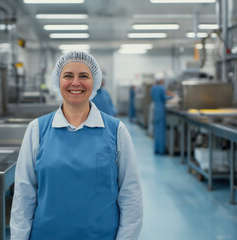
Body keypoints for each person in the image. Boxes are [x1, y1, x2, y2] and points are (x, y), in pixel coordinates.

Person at [10, 51, 143, 240]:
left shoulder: (116, 131)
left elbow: (131, 196)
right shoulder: (37, 130)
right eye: (68, 76)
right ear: (58, 81)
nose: (75, 83)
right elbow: (24, 196)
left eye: (83, 76)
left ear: (95, 81)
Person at [150, 73, 174, 155]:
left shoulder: (153, 88)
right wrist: (172, 96)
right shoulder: (162, 88)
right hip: (161, 110)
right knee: (161, 131)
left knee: (156, 131)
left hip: (155, 110)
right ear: (161, 80)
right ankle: (161, 150)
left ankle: (156, 149)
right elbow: (164, 98)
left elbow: (153, 97)